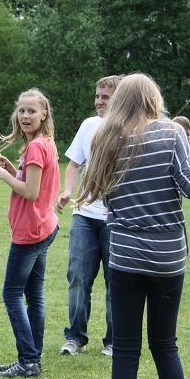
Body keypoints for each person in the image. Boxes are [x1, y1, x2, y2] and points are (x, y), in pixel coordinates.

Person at [75, 73, 190, 379]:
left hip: (125, 257)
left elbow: (105, 196)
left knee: (125, 349)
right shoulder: (173, 131)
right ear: (154, 100)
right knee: (165, 345)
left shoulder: (105, 138)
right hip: (168, 258)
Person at [0, 89, 60, 378]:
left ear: (44, 114)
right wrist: (12, 170)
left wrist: (4, 175)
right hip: (44, 227)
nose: (25, 116)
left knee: (12, 293)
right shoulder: (44, 143)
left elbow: (30, 192)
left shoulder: (36, 147)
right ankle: (33, 358)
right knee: (35, 296)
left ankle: (28, 360)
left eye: (31, 111)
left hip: (30, 232)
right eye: (21, 111)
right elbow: (30, 182)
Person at [56, 75, 123, 357]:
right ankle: (75, 337)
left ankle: (115, 341)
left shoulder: (131, 129)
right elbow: (74, 164)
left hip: (116, 219)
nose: (99, 102)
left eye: (105, 97)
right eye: (97, 96)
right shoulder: (88, 125)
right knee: (78, 277)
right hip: (84, 215)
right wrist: (67, 191)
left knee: (116, 281)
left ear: (120, 98)